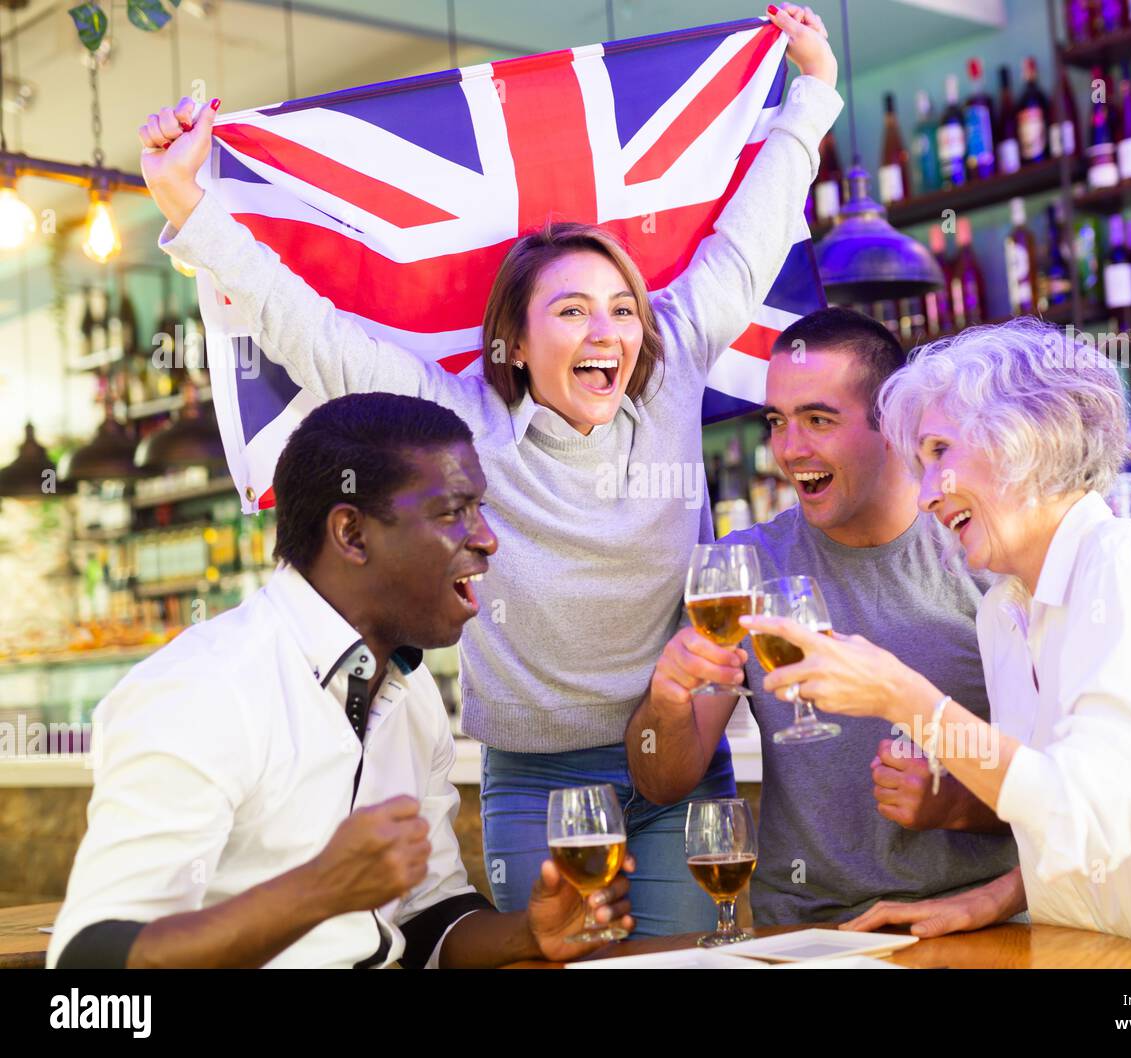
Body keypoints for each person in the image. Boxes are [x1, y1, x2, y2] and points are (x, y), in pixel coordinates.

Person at [133, 4, 842, 936]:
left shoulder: (666, 368)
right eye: (574, 312)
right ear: (511, 338)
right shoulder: (461, 425)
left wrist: (813, 91)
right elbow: (307, 328)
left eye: (622, 308)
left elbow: (751, 238)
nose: (609, 332)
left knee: (688, 965)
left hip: (676, 761)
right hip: (534, 783)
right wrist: (189, 204)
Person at [742, 317, 1131, 967]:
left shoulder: (1126, 571)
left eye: (940, 453)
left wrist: (901, 697)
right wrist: (998, 896)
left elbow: (1084, 812)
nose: (925, 496)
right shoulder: (1006, 612)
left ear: (1025, 442)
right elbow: (1080, 821)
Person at [49, 394, 636, 969]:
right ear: (352, 534)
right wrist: (321, 891)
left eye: (480, 509)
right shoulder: (202, 690)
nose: (486, 540)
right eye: (454, 512)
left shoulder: (411, 694)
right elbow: (86, 968)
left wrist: (530, 936)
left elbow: (428, 916)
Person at [627, 307, 1019, 928]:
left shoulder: (982, 557)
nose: (790, 448)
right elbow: (661, 781)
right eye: (778, 422)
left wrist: (961, 804)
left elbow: (1080, 791)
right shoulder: (742, 569)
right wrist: (668, 704)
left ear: (893, 423)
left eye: (818, 420)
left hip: (978, 922)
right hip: (810, 933)